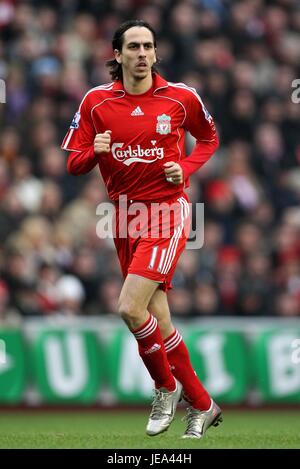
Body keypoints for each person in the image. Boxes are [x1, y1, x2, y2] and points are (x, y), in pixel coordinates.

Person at [62, 19, 222, 439]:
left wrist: (184, 169)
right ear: (117, 55)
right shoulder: (96, 102)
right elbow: (73, 164)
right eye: (132, 46)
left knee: (130, 308)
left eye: (148, 45)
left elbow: (209, 139)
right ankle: (203, 404)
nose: (142, 53)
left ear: (155, 53)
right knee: (158, 319)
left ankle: (165, 389)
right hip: (124, 216)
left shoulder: (181, 97)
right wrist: (93, 153)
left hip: (167, 213)